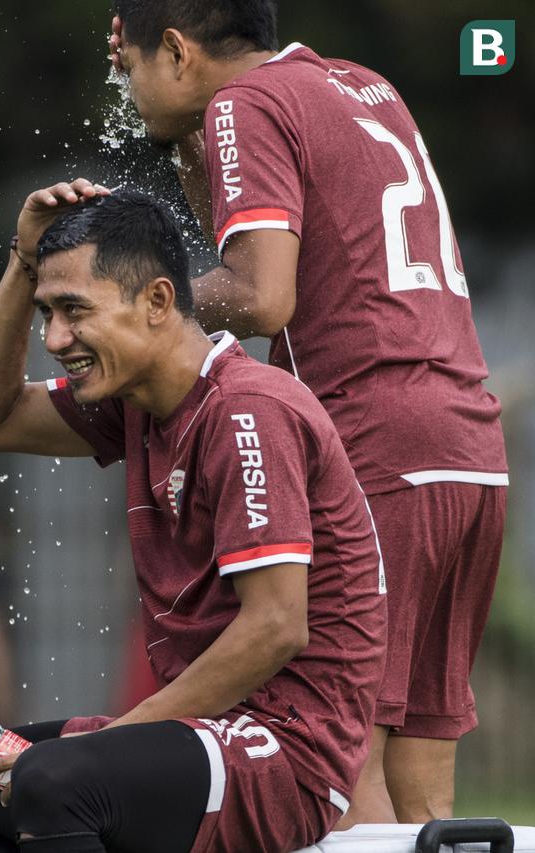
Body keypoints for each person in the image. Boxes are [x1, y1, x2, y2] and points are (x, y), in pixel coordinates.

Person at [108, 0, 509, 826]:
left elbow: (260, 292)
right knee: (423, 766)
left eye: (133, 65)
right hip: (469, 443)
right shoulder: (360, 84)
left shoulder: (242, 104)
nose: (125, 86)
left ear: (178, 50)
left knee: (339, 745)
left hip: (374, 438)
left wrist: (140, 312)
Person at [0, 179, 387, 852]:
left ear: (158, 301)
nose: (54, 337)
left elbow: (276, 626)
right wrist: (24, 260)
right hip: (198, 728)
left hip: (287, 749)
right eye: (47, 311)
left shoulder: (246, 408)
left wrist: (113, 739)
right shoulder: (134, 399)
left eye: (73, 309)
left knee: (54, 780)